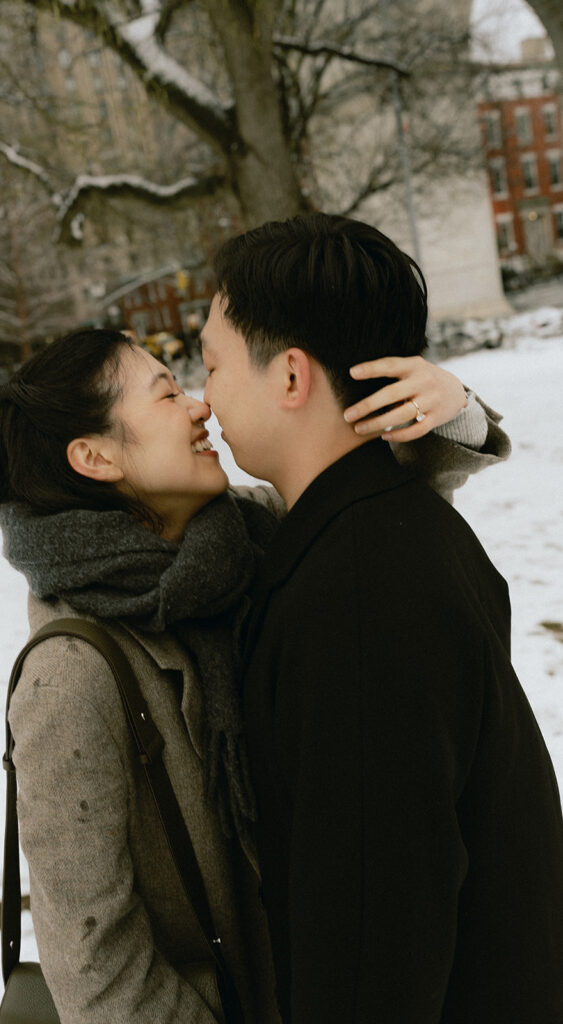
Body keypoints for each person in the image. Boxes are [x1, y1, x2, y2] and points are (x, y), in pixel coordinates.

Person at [0, 321, 506, 1024]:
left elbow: (391, 508)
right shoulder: (69, 678)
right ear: (94, 456)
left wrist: (446, 406)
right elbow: (94, 965)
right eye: (165, 395)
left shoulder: (250, 535)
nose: (199, 406)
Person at [199, 212, 563, 1023]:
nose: (205, 396)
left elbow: (373, 936)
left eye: (213, 364)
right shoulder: (381, 527)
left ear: (290, 376)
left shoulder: (356, 598)